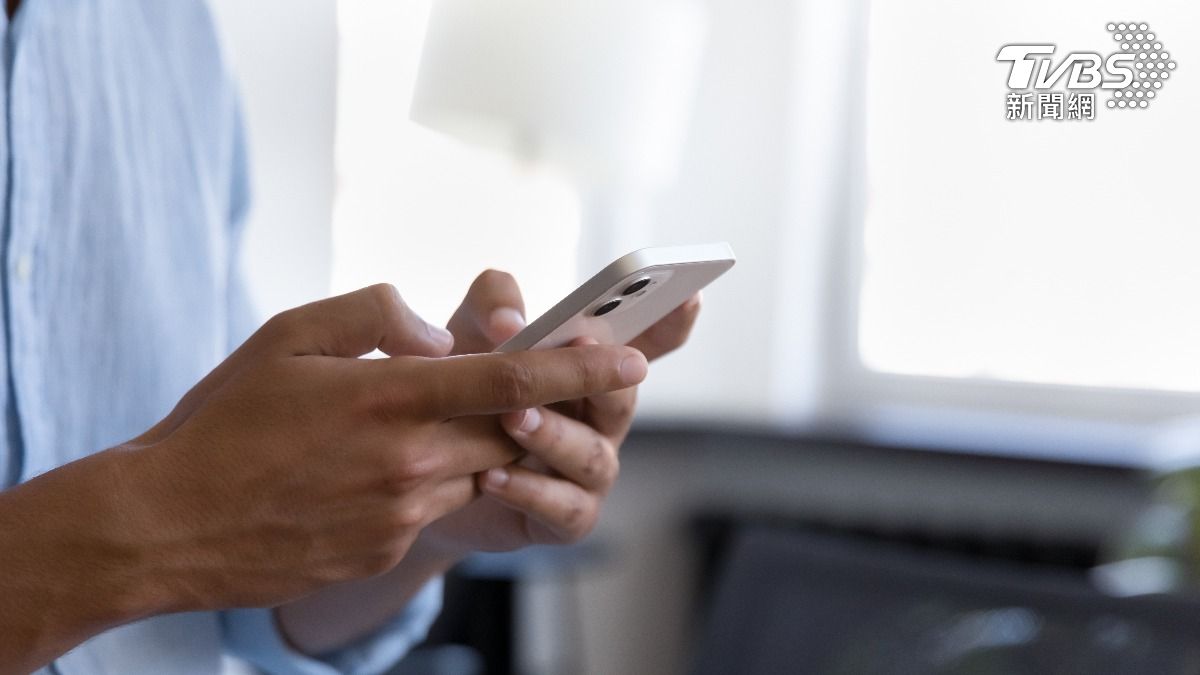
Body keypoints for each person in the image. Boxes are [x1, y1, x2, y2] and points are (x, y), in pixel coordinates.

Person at [0, 2, 700, 674]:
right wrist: (154, 526)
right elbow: (190, 529)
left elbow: (227, 599)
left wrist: (432, 511)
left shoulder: (175, 33)